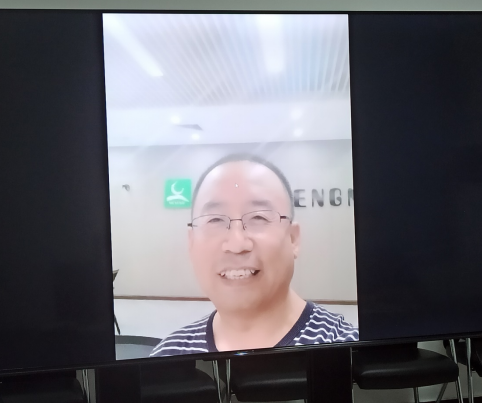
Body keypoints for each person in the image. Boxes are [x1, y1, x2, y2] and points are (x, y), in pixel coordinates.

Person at [151, 153, 358, 357]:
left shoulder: (349, 354)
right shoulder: (167, 357)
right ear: (191, 242)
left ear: (293, 238)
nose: (237, 244)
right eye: (215, 220)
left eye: (258, 217)